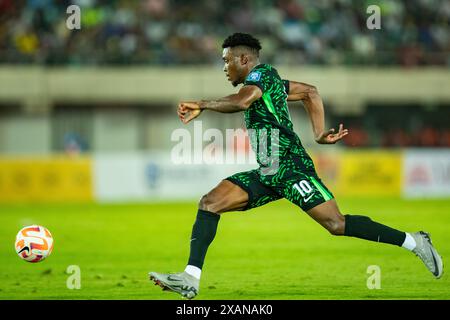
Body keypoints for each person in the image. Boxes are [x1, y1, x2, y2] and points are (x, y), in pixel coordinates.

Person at [149, 33, 443, 299]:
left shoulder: (260, 78)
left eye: (226, 61)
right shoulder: (271, 81)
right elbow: (310, 92)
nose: (224, 67)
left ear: (243, 59)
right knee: (210, 203)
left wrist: (202, 103)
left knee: (336, 224)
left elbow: (241, 102)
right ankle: (191, 278)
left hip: (291, 168)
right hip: (268, 171)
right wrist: (318, 133)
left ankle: (414, 242)